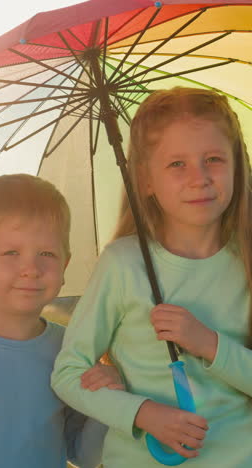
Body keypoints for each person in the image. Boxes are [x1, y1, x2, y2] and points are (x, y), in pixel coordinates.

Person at [51, 86, 252, 468]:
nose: (200, 177)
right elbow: (69, 373)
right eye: (177, 164)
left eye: (213, 159)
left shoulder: (247, 261)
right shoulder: (124, 265)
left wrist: (209, 344)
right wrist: (144, 413)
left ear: (237, 164)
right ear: (144, 180)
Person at [0, 173, 124, 468]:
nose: (31, 268)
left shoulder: (71, 350)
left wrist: (109, 400)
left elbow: (84, 456)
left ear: (65, 265)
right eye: (12, 252)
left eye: (47, 253)